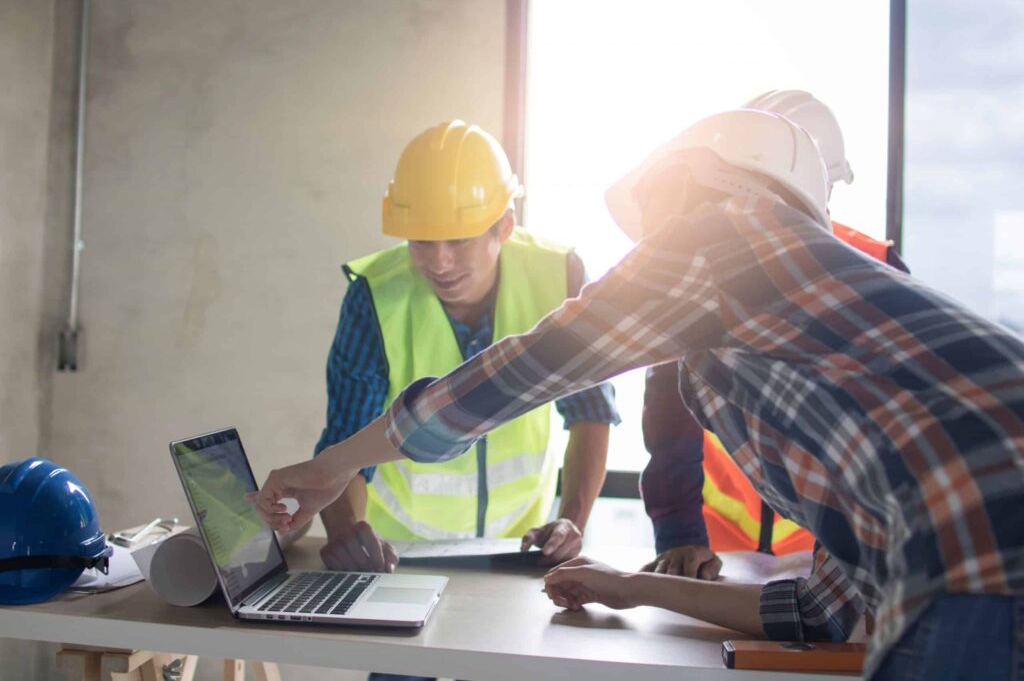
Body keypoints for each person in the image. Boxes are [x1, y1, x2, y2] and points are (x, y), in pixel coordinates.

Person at [252, 109, 1024, 680]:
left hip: (983, 542)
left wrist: (333, 467)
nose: (642, 254)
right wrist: (631, 586)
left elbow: (530, 368)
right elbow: (825, 605)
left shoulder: (723, 232)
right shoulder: (795, 347)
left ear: (687, 186)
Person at [313, 120, 619, 579]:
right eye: (422, 241)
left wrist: (571, 520)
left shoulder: (559, 277)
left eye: (459, 240)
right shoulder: (374, 295)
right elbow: (346, 438)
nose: (439, 262)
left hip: (521, 548)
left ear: (505, 227)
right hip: (398, 554)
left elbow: (590, 409)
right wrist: (346, 531)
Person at [637, 91, 910, 581]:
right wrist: (678, 531)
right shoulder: (711, 262)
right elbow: (669, 403)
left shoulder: (878, 269)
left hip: (837, 552)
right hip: (719, 552)